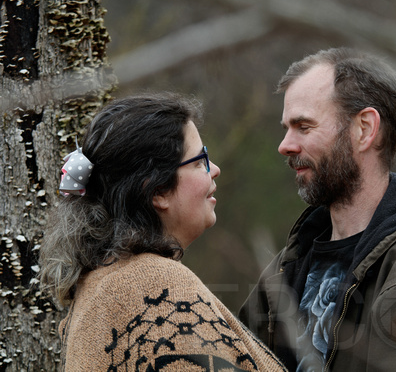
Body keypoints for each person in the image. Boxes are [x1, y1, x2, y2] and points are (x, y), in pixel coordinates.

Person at [239, 48, 396, 371]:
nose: (285, 145)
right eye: (287, 128)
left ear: (364, 129)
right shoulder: (293, 260)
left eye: (303, 127)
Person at [39, 93, 287, 371]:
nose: (214, 170)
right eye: (199, 161)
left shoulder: (102, 287)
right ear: (158, 191)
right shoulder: (158, 289)